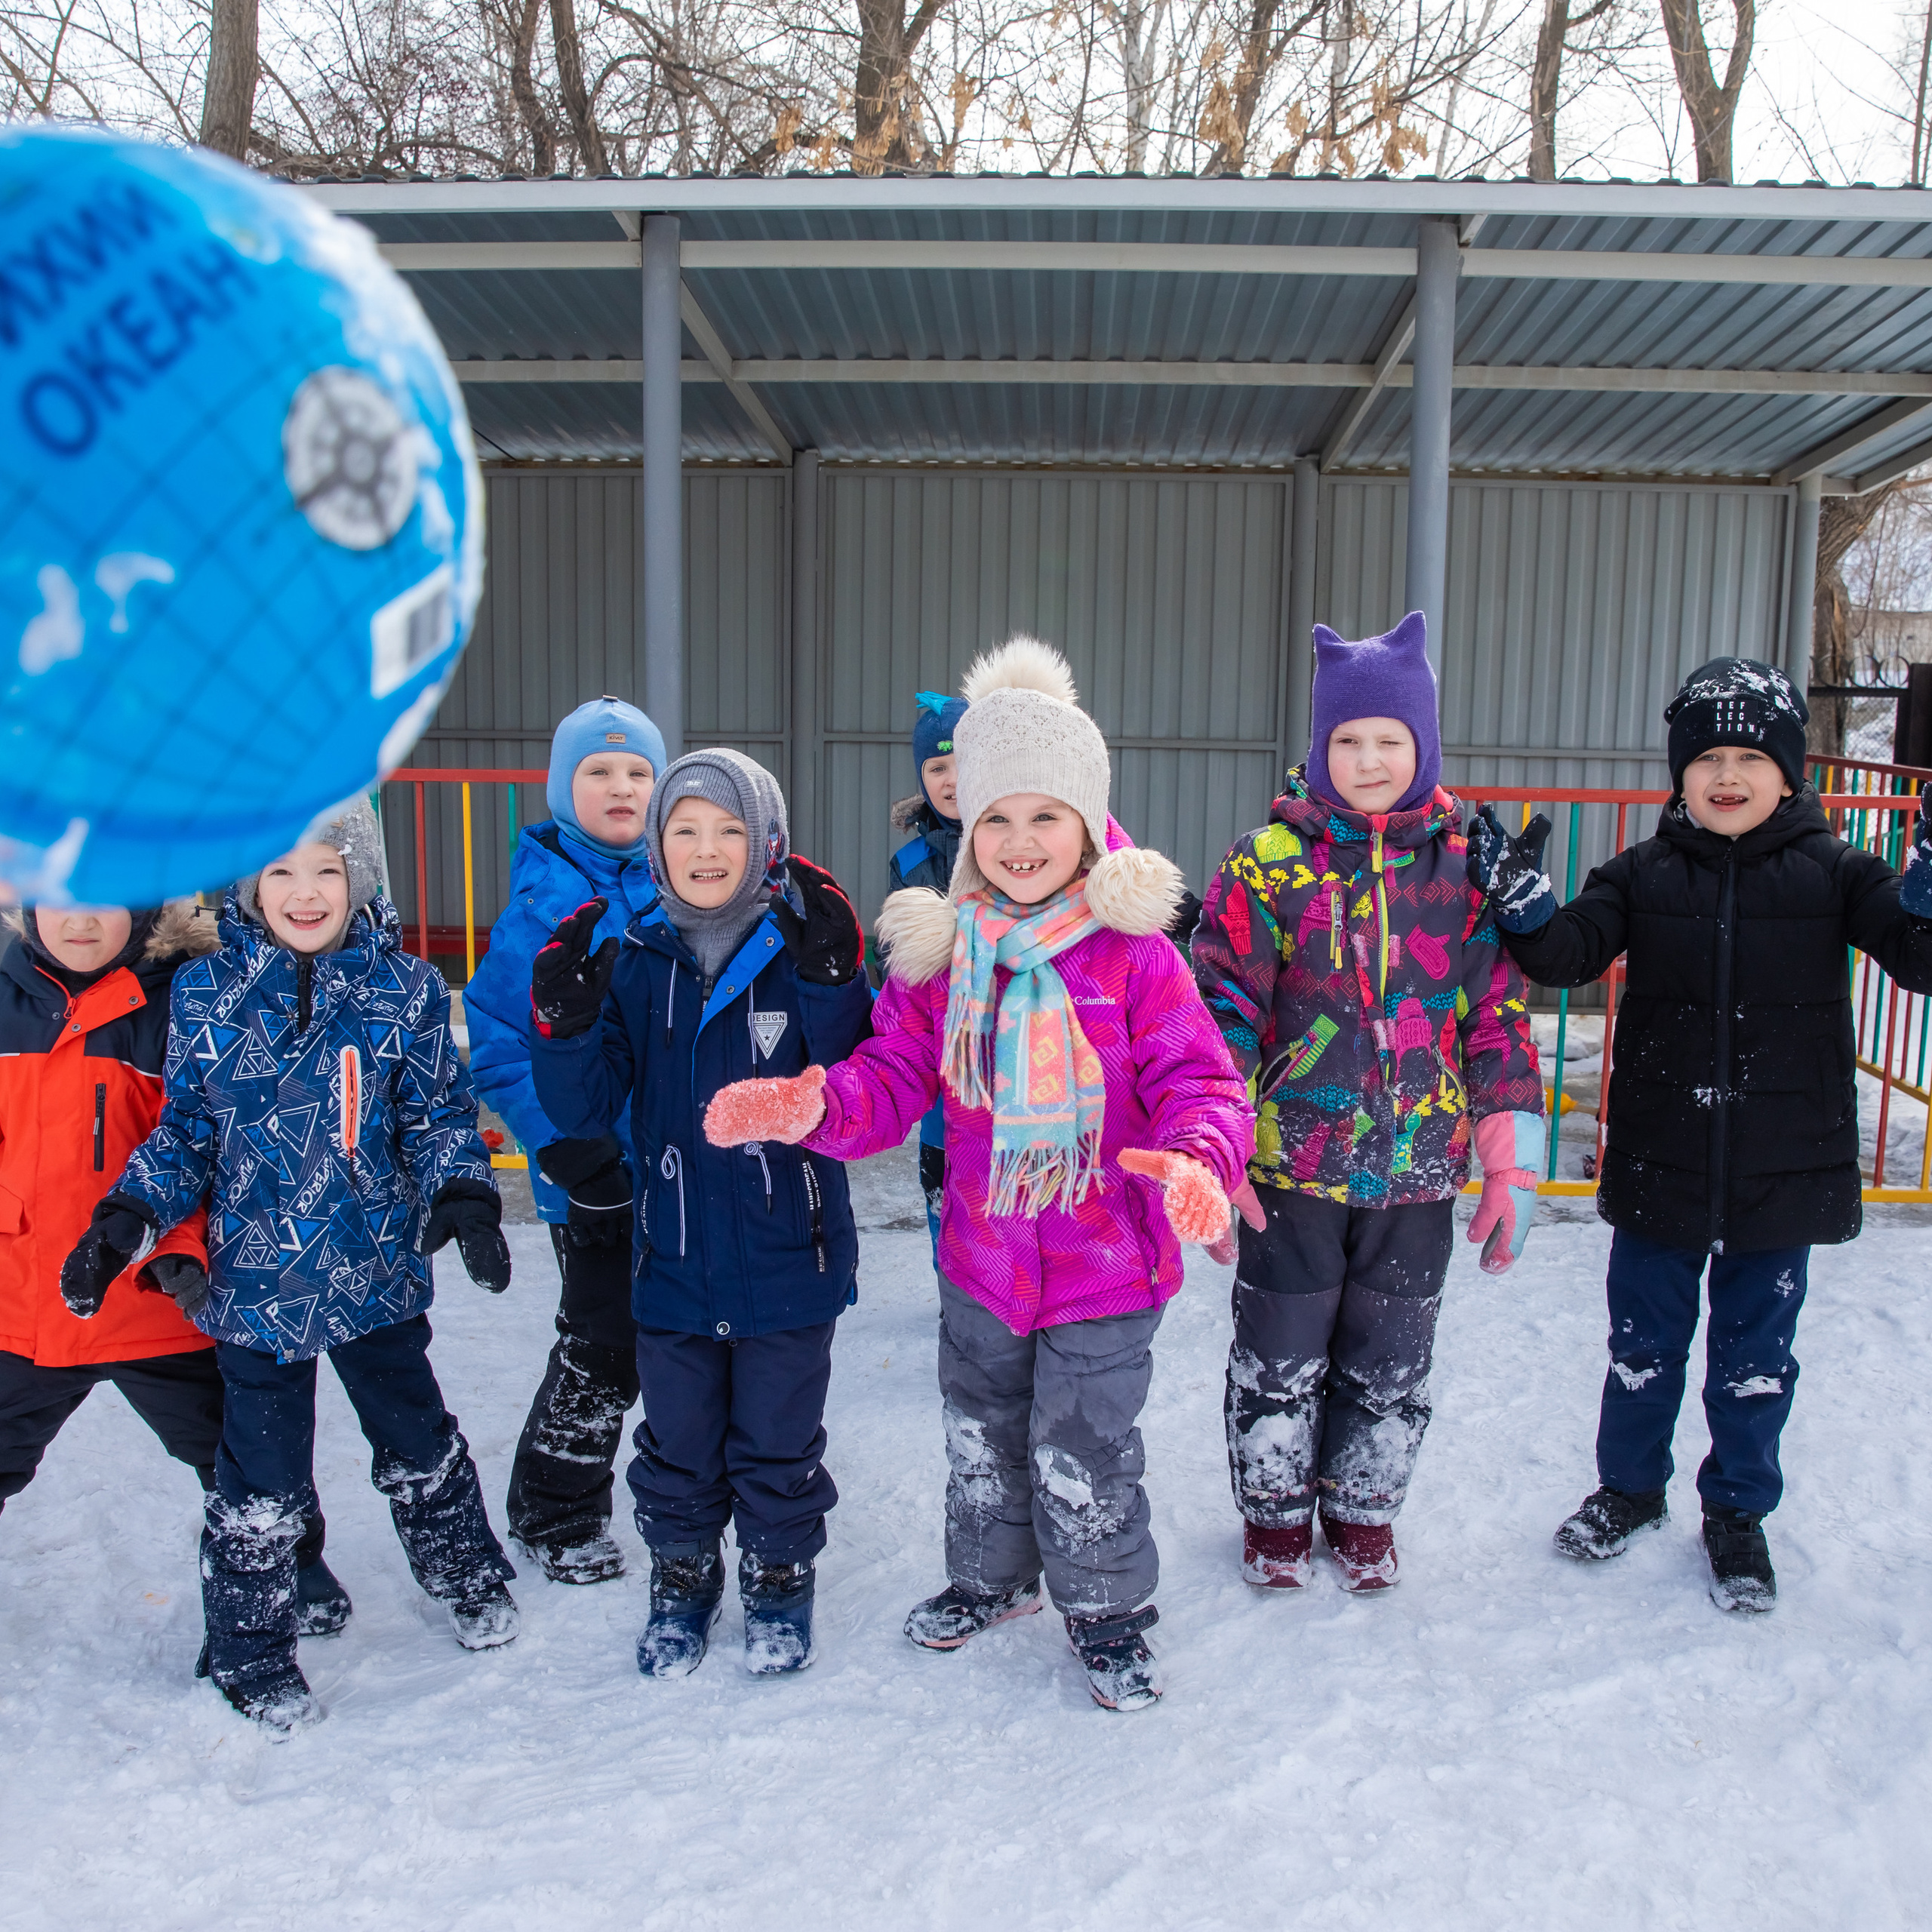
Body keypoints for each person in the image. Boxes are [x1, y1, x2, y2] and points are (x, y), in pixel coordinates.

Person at [703, 639, 1254, 1712]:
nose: (1018, 841)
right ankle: (991, 1580)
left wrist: (1199, 1159)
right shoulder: (948, 954)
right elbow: (893, 1075)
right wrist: (817, 1103)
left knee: (1085, 1440)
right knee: (982, 1430)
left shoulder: (1138, 958)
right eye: (996, 818)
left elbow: (1205, 1082)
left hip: (1106, 1262)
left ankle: (1105, 1611)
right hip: (985, 1259)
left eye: (1045, 816)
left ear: (1088, 824)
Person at [1468, 656, 1932, 1612]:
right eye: (1707, 757)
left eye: (1749, 758)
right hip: (1661, 1157)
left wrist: (1929, 883)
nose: (1727, 774)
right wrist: (1521, 904)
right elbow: (1563, 954)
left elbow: (1920, 960)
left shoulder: (1839, 872)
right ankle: (1629, 1490)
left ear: (1788, 773)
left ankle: (1735, 1514)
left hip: (1782, 1169)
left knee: (1755, 1359)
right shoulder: (1639, 874)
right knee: (1642, 1342)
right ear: (1679, 774)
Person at [61, 801, 518, 1729]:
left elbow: (434, 1114)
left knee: (418, 1439)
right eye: (279, 872)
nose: (305, 892)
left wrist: (463, 1193)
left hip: (374, 1272)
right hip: (256, 1284)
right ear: (247, 886)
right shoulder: (205, 994)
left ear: (360, 882)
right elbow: (186, 1130)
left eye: (326, 870)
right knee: (259, 1477)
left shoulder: (407, 989)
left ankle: (466, 1574)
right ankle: (249, 1646)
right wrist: (130, 1213)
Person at [1191, 613, 1546, 1596]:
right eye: (1347, 739)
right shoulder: (1266, 864)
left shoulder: (1463, 868)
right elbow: (1222, 1010)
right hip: (1289, 1166)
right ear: (1318, 746)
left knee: (1391, 1358)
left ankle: (1364, 1510)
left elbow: (1494, 1015)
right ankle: (1272, 1518)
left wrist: (1506, 1156)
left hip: (1418, 1171)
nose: (1369, 757)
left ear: (1423, 744)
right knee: (1278, 1352)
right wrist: (1212, 1148)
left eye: (1390, 739)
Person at [527, 750, 872, 1680]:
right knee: (677, 1441)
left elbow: (852, 1085)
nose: (707, 848)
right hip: (671, 1260)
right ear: (657, 843)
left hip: (788, 1258)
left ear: (766, 842)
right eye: (685, 828)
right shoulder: (636, 958)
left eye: (729, 829)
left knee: (778, 1438)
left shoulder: (794, 948)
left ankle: (776, 1576)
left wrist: (838, 978)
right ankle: (682, 1581)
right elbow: (585, 1107)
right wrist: (560, 1028)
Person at [0, 900, 349, 1634]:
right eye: (62, 899)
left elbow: (214, 1147)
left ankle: (289, 1563)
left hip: (159, 1297)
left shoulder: (187, 1004)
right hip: (29, 1299)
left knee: (242, 1450)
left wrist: (180, 1247)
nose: (81, 921)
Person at [466, 696, 665, 1585]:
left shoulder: (687, 878)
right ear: (561, 787)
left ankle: (688, 1496)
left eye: (637, 771)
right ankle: (554, 1509)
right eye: (598, 770)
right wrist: (560, 1146)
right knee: (604, 1342)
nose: (620, 786)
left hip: (685, 1164)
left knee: (688, 1336)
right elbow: (498, 1040)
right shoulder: (542, 906)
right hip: (591, 1172)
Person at [887, 692, 968, 1250]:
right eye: (938, 766)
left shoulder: (1021, 844)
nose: (952, 778)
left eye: (965, 761)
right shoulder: (910, 863)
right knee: (943, 1174)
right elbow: (901, 960)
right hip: (940, 1045)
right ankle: (951, 1278)